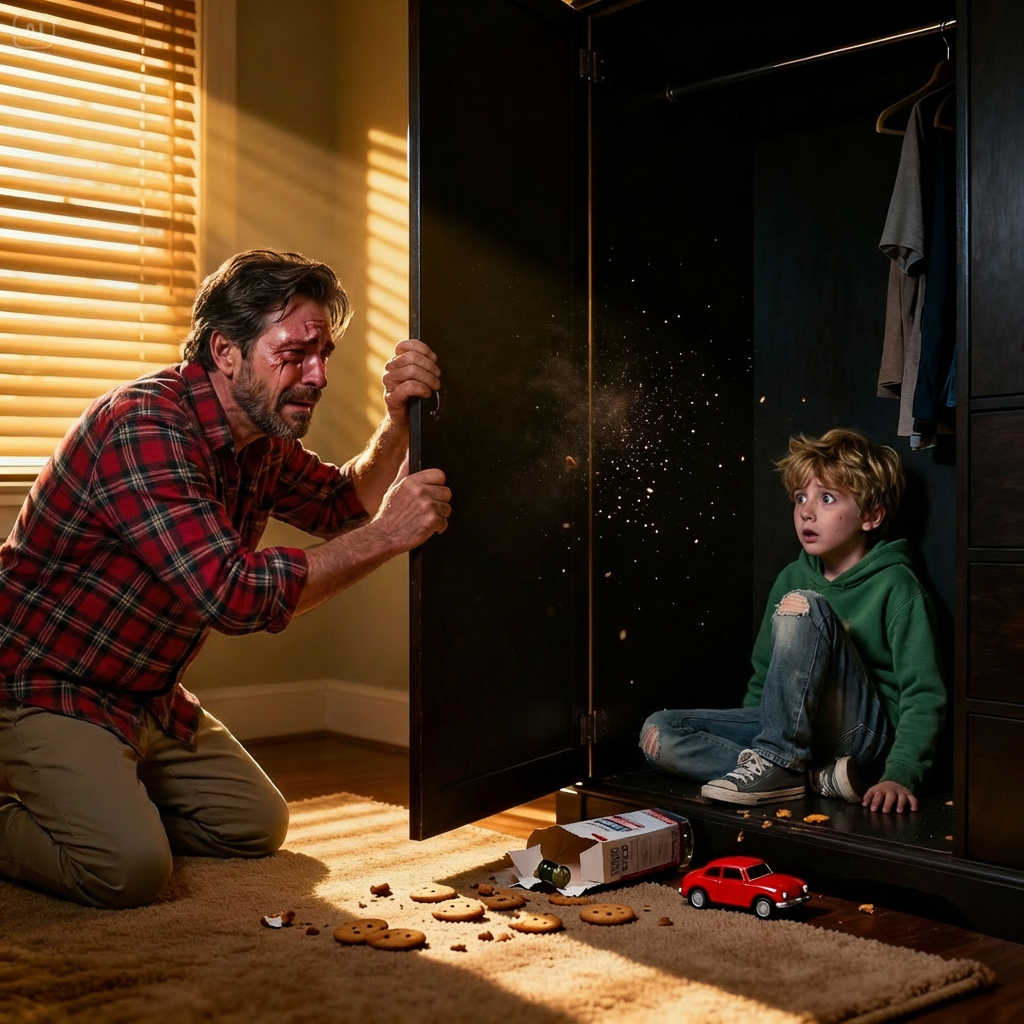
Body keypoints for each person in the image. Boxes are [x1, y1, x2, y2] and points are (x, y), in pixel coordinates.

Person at [0, 249, 451, 908]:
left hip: (147, 693)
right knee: (128, 871)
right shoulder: (145, 426)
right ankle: (84, 810)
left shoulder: (257, 436)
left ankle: (100, 801)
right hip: (42, 685)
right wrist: (388, 536)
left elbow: (339, 503)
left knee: (251, 825)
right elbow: (232, 594)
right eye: (294, 354)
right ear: (226, 351)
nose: (318, 375)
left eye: (323, 354)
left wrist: (397, 422)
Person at [639, 428, 946, 814]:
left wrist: (900, 773)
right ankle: (807, 777)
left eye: (826, 498)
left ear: (871, 516)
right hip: (798, 739)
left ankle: (781, 765)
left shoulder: (896, 584)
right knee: (660, 732)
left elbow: (923, 694)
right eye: (801, 497)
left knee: (805, 606)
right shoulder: (791, 576)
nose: (806, 511)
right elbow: (765, 679)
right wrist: (760, 737)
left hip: (863, 738)